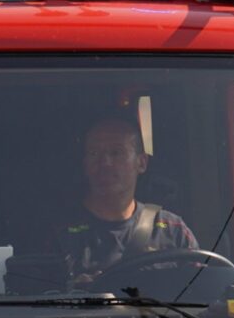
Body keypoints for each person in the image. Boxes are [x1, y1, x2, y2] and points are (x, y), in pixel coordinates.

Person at [52, 117, 198, 283]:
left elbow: (202, 292)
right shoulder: (59, 232)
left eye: (116, 152)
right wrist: (73, 295)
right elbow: (34, 296)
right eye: (94, 153)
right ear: (85, 163)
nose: (105, 162)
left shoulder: (172, 230)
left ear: (141, 163)